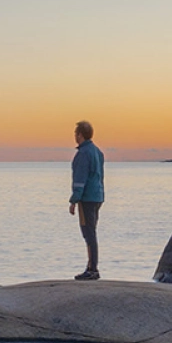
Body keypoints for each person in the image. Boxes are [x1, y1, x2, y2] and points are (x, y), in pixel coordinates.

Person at [68, 120, 104, 280]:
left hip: (87, 198)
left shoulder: (83, 154)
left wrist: (74, 200)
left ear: (80, 135)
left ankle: (92, 269)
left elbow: (80, 179)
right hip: (97, 196)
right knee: (91, 231)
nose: (75, 137)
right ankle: (92, 266)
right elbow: (100, 177)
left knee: (88, 232)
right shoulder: (97, 152)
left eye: (76, 134)